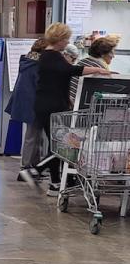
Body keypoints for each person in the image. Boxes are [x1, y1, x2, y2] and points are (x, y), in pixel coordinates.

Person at [20, 24, 111, 196]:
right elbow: (71, 70)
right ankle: (35, 170)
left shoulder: (46, 56)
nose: (67, 42)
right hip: (53, 106)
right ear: (59, 39)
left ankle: (55, 184)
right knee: (61, 146)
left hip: (44, 105)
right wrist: (98, 69)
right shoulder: (53, 56)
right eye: (66, 39)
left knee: (54, 144)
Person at [5, 38, 48, 179]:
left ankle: (34, 166)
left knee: (35, 135)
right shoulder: (38, 65)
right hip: (33, 102)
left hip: (24, 101)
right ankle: (26, 168)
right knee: (33, 135)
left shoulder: (27, 61)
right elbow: (39, 84)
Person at [69, 37, 117, 103]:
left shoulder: (82, 61)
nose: (113, 56)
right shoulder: (100, 70)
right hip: (77, 105)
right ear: (102, 54)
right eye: (111, 52)